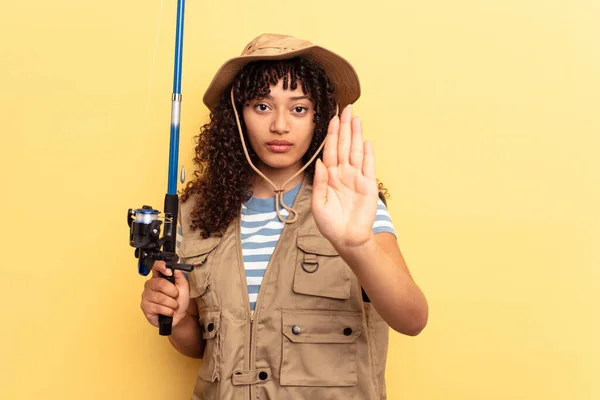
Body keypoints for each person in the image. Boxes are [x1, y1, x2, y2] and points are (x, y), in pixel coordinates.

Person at [140, 33, 428, 400]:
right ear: (237, 116)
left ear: (319, 117)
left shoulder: (352, 203)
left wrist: (357, 245)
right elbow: (203, 347)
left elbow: (413, 319)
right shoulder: (194, 213)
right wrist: (176, 319)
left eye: (298, 108)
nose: (279, 125)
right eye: (262, 106)